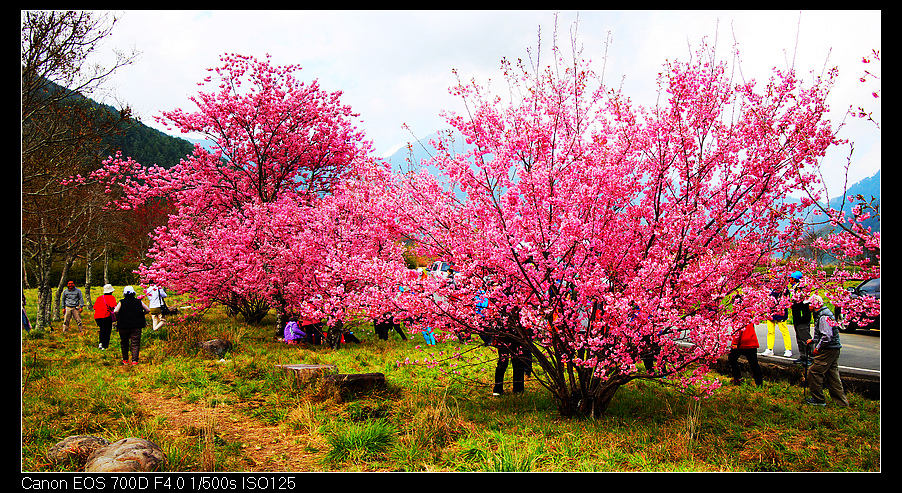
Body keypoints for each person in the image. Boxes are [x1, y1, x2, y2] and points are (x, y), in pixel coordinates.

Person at [803, 295, 849, 407]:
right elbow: (824, 333)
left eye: (809, 304)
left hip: (828, 349)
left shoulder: (823, 316)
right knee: (832, 376)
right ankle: (841, 403)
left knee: (814, 372)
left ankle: (818, 400)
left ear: (815, 305)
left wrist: (817, 348)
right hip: (834, 348)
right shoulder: (823, 314)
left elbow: (827, 336)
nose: (808, 306)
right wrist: (814, 340)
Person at [114, 286, 150, 365]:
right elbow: (147, 310)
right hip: (136, 325)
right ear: (133, 293)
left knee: (124, 343)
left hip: (123, 325)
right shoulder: (138, 302)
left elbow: (116, 311)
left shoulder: (121, 302)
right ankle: (134, 361)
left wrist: (119, 317)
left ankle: (125, 360)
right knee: (135, 343)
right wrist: (141, 315)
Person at [728, 321, 764, 386]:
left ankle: (738, 378)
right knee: (754, 363)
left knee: (732, 358)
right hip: (752, 341)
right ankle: (759, 382)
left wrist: (735, 343)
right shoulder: (750, 315)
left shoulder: (737, 315)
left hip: (741, 342)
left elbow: (737, 330)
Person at [789, 271, 813, 365]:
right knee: (799, 338)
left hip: (803, 318)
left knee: (805, 338)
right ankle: (803, 356)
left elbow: (804, 305)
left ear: (794, 279)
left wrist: (793, 306)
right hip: (797, 317)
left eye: (790, 278)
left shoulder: (803, 290)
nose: (789, 280)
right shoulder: (794, 289)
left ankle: (809, 357)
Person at [762, 285, 793, 357]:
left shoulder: (783, 287)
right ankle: (769, 348)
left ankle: (788, 349)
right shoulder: (769, 287)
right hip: (770, 311)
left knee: (784, 330)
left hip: (780, 311)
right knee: (770, 331)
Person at [93, 284, 117, 350]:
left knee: (102, 330)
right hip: (106, 316)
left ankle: (100, 342)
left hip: (97, 316)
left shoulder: (99, 298)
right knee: (107, 331)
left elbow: (94, 307)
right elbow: (113, 307)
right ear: (111, 291)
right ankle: (105, 345)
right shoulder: (112, 298)